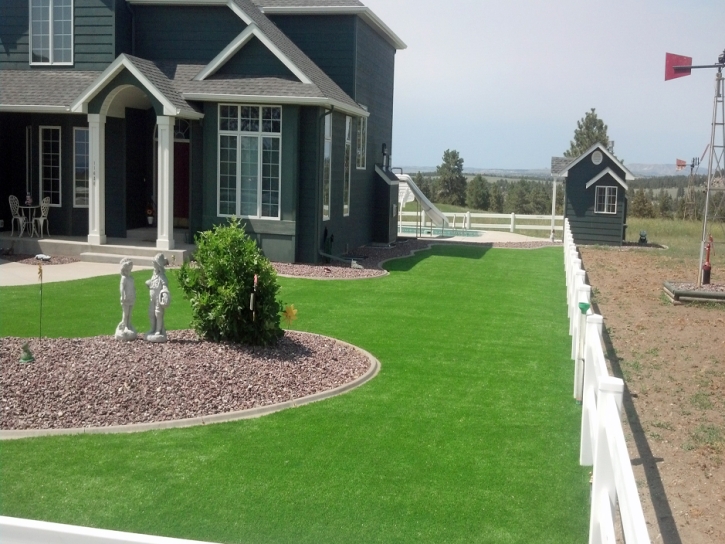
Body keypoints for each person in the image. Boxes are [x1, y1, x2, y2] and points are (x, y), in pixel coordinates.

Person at [145, 253, 171, 342]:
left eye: (155, 264)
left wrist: (164, 292)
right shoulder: (154, 275)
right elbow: (153, 283)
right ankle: (152, 328)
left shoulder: (162, 276)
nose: (153, 266)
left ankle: (158, 330)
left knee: (158, 313)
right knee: (151, 313)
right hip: (152, 299)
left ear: (159, 265)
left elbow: (164, 285)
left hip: (158, 299)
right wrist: (149, 283)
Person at [115, 258, 137, 341]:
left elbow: (133, 287)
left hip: (131, 297)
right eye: (127, 270)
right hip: (126, 298)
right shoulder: (123, 278)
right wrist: (123, 295)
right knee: (125, 313)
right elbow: (122, 288)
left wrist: (134, 293)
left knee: (130, 313)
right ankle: (123, 326)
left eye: (130, 270)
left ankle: (128, 325)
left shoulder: (131, 278)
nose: (129, 272)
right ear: (124, 270)